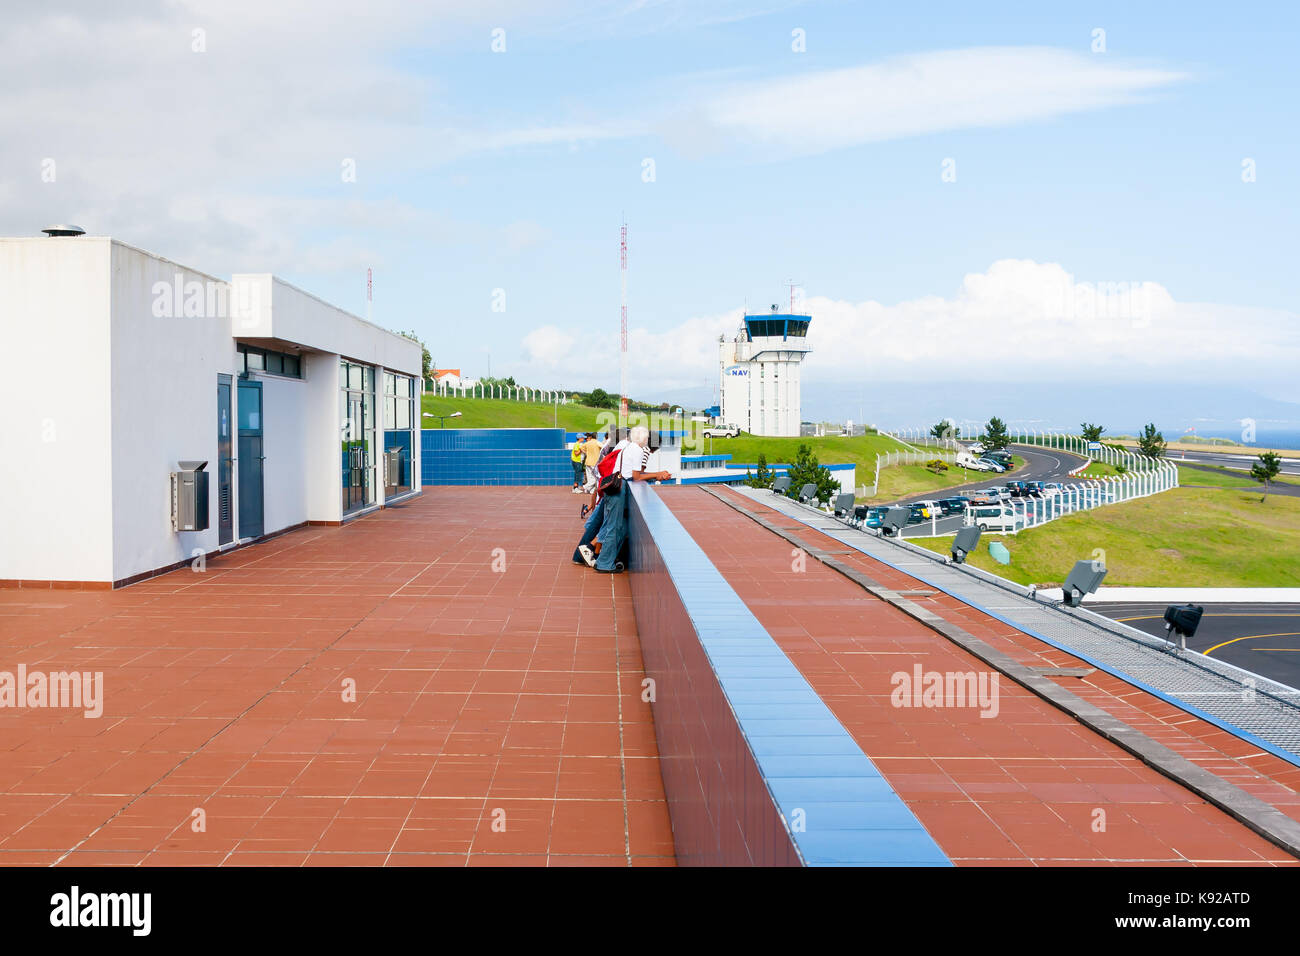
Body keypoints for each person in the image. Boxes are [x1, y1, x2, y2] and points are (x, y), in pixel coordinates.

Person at [578, 425, 672, 573]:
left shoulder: (628, 448)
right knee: (615, 527)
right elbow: (636, 476)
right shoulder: (638, 450)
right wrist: (657, 474)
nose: (647, 440)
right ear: (642, 438)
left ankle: (603, 560)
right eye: (646, 437)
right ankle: (604, 563)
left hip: (613, 487)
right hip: (620, 489)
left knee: (614, 526)